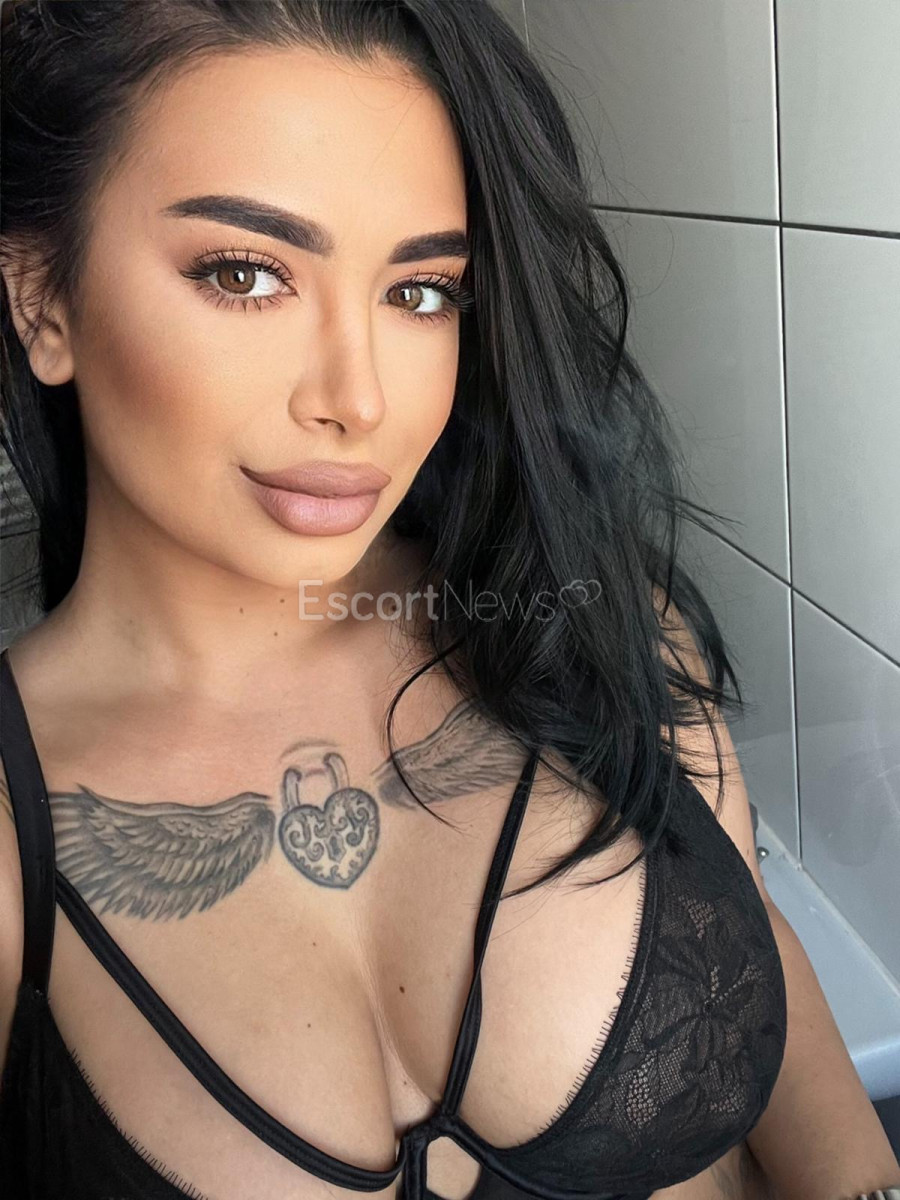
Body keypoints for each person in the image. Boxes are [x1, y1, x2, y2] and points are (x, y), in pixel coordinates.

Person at [0, 3, 896, 1199]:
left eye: (421, 292)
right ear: (41, 298)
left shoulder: (579, 619)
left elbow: (747, 942)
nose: (359, 398)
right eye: (246, 273)